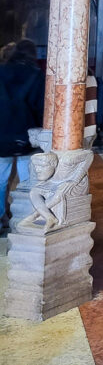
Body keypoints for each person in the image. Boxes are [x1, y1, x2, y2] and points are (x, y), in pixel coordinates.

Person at [0, 39, 45, 226]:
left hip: (2, 134)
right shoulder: (37, 75)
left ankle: (0, 216)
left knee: (0, 178)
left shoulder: (1, 71)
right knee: (27, 180)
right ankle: (26, 220)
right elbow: (41, 107)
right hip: (27, 135)